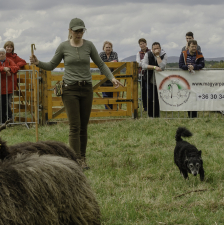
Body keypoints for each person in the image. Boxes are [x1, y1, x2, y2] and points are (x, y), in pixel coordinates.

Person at [30, 17, 121, 169]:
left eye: (81, 31)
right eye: (76, 31)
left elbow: (100, 63)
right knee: (74, 126)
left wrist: (112, 78)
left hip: (86, 89)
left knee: (84, 126)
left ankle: (83, 158)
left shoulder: (89, 45)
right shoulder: (63, 47)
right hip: (70, 89)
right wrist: (38, 63)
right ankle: (75, 160)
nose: (79, 34)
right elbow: (52, 65)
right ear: (70, 31)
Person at [0, 48, 20, 123]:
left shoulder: (9, 61)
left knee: (5, 104)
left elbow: (16, 67)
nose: (1, 55)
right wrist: (3, 69)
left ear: (5, 54)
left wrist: (8, 68)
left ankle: (6, 120)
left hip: (6, 86)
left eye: (3, 53)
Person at [139, 41, 166, 118]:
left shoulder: (164, 54)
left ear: (160, 48)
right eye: (154, 49)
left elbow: (162, 66)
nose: (156, 50)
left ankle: (157, 115)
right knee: (150, 97)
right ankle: (150, 115)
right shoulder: (148, 54)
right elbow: (144, 65)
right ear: (152, 49)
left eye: (158, 48)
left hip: (160, 80)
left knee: (158, 97)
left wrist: (158, 56)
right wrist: (154, 67)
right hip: (149, 79)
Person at [180, 40, 205, 118]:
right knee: (188, 96)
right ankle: (189, 115)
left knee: (195, 97)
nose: (194, 48)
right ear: (188, 46)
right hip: (186, 78)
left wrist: (194, 67)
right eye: (192, 46)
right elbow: (180, 65)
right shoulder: (183, 54)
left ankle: (194, 116)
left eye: (195, 46)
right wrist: (187, 67)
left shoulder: (199, 54)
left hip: (196, 79)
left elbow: (202, 64)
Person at [99, 41, 119, 110]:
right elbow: (99, 63)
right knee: (105, 96)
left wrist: (105, 64)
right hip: (104, 79)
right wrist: (110, 63)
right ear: (103, 48)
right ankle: (107, 110)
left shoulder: (114, 54)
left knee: (113, 95)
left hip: (113, 77)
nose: (108, 49)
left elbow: (116, 61)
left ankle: (114, 110)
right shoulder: (101, 54)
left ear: (111, 48)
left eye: (109, 47)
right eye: (106, 47)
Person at [136, 38, 151, 116]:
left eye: (143, 43)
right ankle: (145, 107)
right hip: (141, 74)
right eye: (140, 44)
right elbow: (138, 64)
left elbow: (150, 62)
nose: (142, 45)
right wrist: (145, 63)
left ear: (146, 43)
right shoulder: (139, 53)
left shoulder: (150, 52)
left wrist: (143, 62)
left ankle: (150, 106)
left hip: (149, 74)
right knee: (143, 91)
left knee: (149, 90)